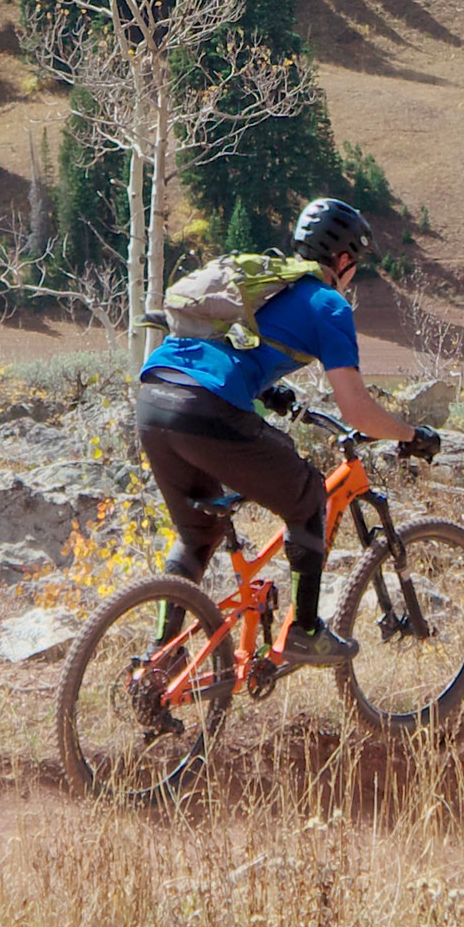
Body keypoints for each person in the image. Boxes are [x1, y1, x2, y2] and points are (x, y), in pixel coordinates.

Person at [133, 196, 438, 663]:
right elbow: (356, 409)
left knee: (197, 536)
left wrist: (266, 391)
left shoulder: (266, 282)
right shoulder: (327, 302)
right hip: (207, 406)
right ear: (342, 260)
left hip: (154, 398)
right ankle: (305, 630)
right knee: (309, 495)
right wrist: (408, 434)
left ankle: (158, 660)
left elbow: (237, 349)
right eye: (354, 263)